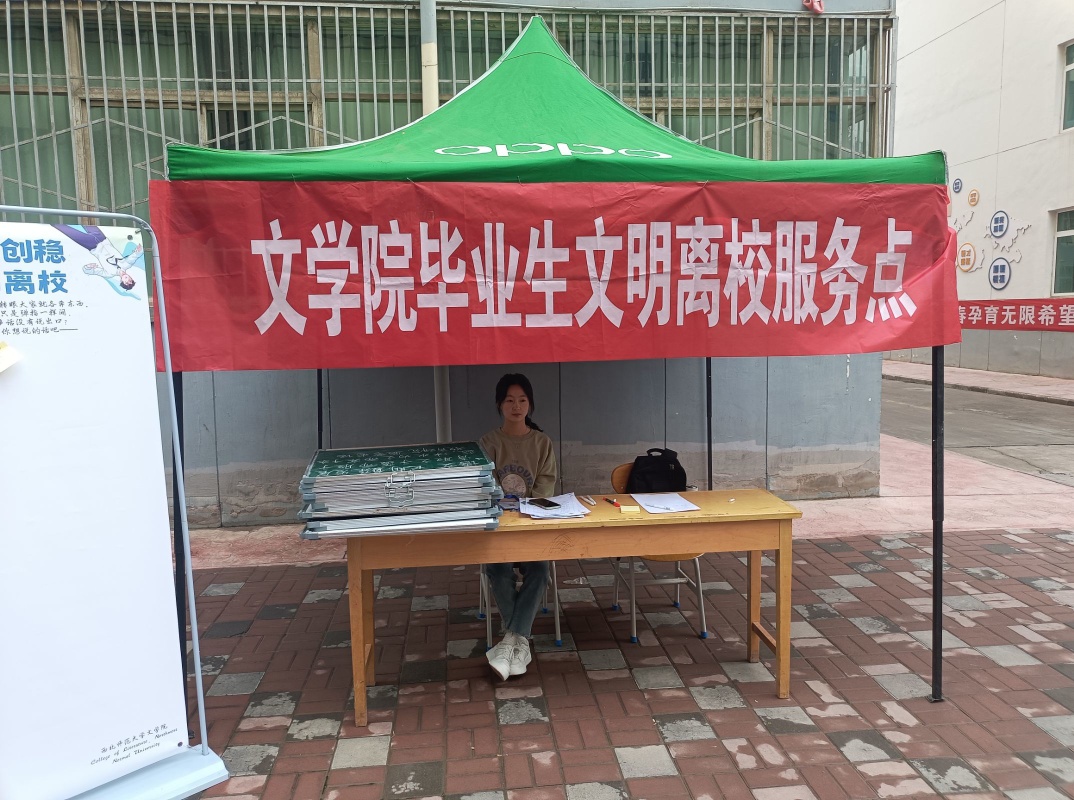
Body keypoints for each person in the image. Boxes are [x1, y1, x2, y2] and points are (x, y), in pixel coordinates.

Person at [479, 373, 557, 680]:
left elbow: (545, 488)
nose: (516, 406)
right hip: (499, 530)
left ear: (530, 404)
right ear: (499, 404)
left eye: (522, 400)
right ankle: (519, 640)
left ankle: (511, 639)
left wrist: (523, 508)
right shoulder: (488, 443)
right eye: (509, 400)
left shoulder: (541, 443)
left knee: (539, 570)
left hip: (531, 528)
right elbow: (486, 488)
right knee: (498, 569)